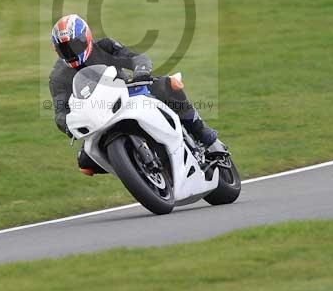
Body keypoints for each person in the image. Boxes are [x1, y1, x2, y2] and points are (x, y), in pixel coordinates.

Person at [48, 13, 223, 175]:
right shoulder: (58, 77)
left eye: (75, 45)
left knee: (169, 85)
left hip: (129, 93)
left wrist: (141, 71)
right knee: (85, 163)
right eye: (65, 49)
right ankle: (135, 170)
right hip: (98, 115)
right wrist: (67, 124)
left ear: (86, 38)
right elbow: (60, 111)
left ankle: (205, 136)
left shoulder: (105, 46)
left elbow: (136, 58)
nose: (71, 52)